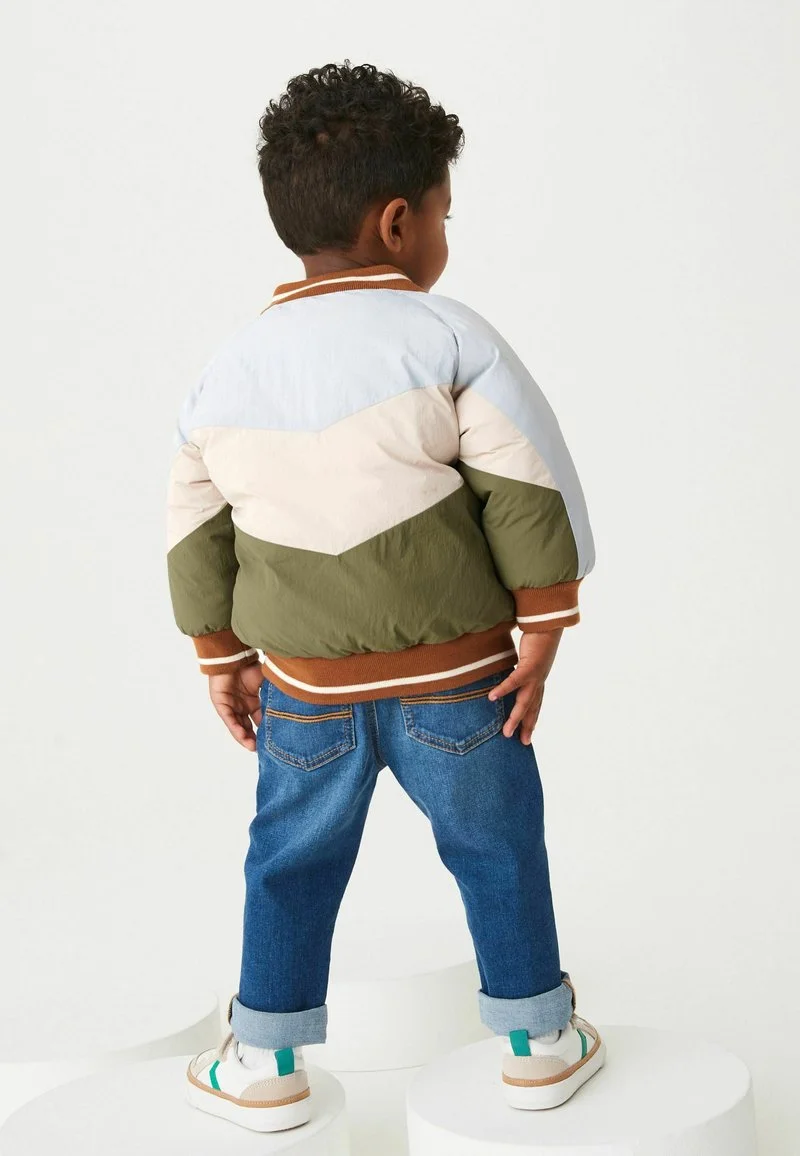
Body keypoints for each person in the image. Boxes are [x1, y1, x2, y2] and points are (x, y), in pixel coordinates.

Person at [170, 59, 605, 1133]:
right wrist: (545, 623)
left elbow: (194, 529)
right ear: (400, 222)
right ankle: (539, 1043)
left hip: (303, 690)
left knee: (287, 860)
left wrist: (219, 654)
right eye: (444, 215)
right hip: (461, 679)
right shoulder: (450, 335)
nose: (444, 236)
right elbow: (527, 484)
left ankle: (264, 1062)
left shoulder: (227, 367)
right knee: (496, 846)